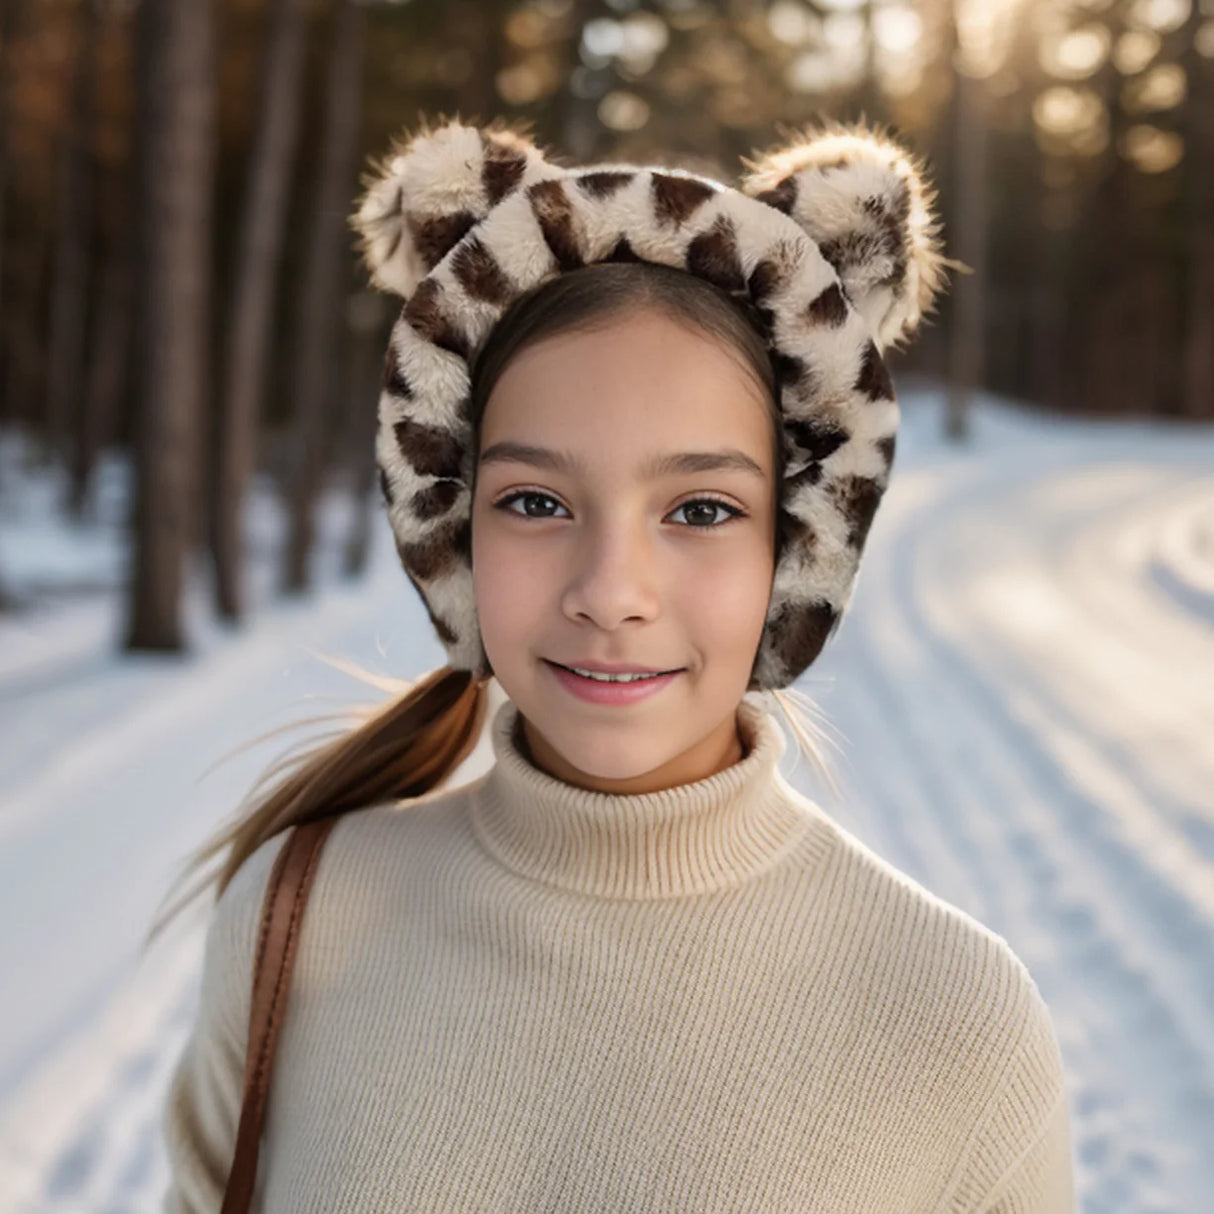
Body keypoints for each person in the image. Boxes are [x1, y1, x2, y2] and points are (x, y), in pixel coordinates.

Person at [154, 116, 1076, 1212]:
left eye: (701, 509)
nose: (610, 590)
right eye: (536, 502)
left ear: (797, 549)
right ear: (450, 528)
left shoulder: (955, 1025)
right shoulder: (297, 914)